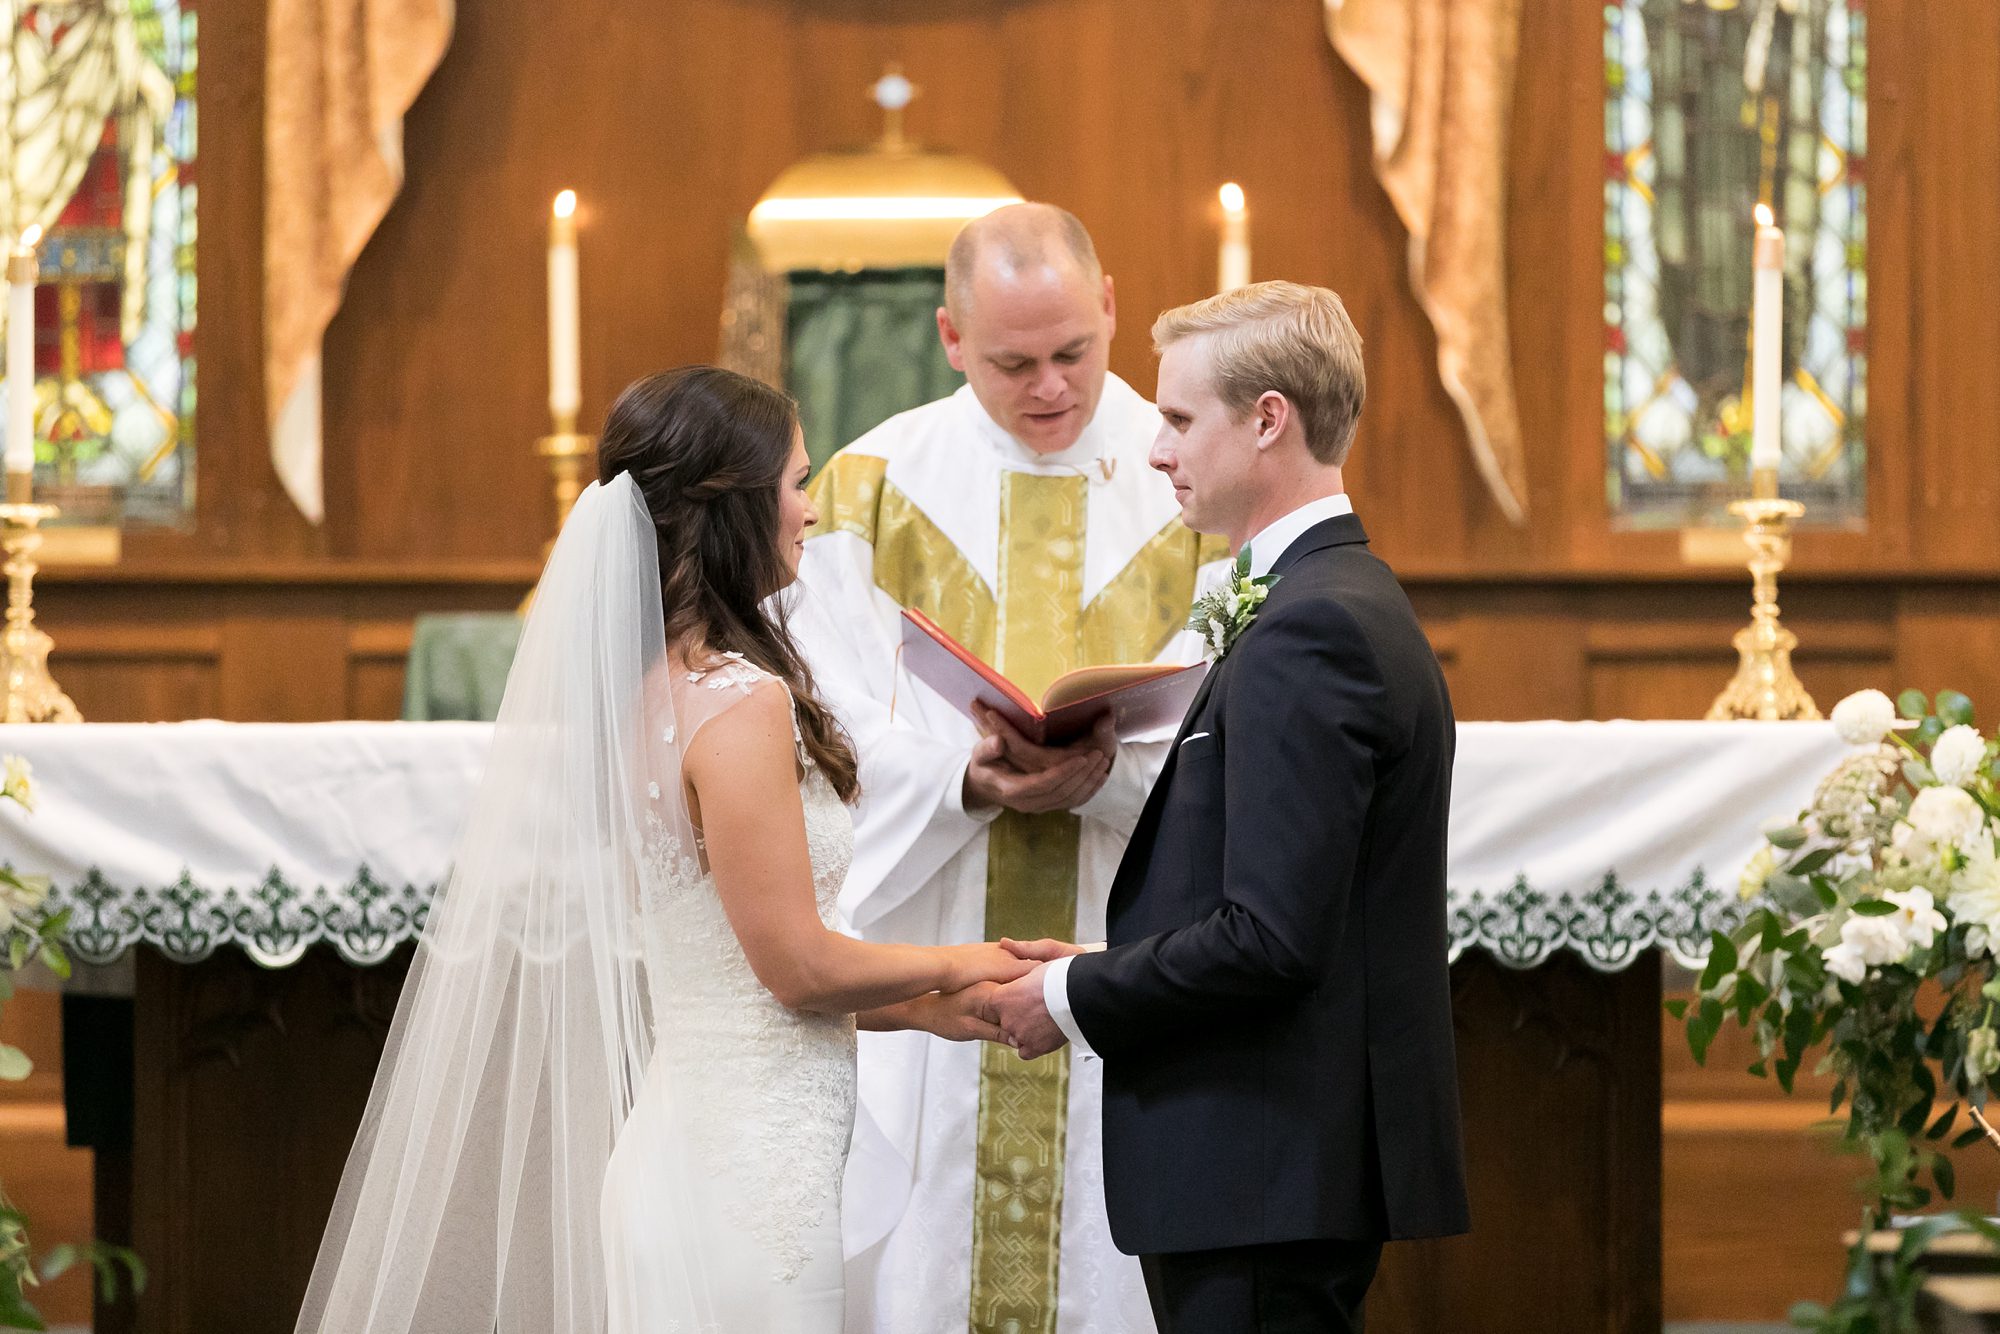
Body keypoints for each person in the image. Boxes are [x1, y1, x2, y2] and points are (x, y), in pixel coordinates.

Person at [295, 367, 1034, 1334]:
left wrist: (937, 1011)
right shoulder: (739, 703)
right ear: (733, 506)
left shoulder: (647, 694)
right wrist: (965, 958)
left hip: (703, 1159)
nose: (811, 510)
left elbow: (733, 976)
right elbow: (796, 969)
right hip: (750, 1190)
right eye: (796, 482)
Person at [991, 282, 1471, 1334]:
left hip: (1264, 1158)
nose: (1156, 450)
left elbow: (1271, 939)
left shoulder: (1312, 629)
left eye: (1177, 418)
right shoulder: (1321, 600)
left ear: (1266, 420)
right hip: (1269, 1161)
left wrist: (1071, 993)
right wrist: (1100, 959)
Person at [790, 203, 1226, 1334]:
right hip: (938, 937)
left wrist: (1107, 773)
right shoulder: (869, 485)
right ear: (949, 337)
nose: (1051, 388)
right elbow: (816, 721)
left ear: (1112, 306)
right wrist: (963, 780)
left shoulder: (1197, 478)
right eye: (1011, 364)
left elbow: (1236, 714)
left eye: (1073, 351)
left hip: (1121, 927)